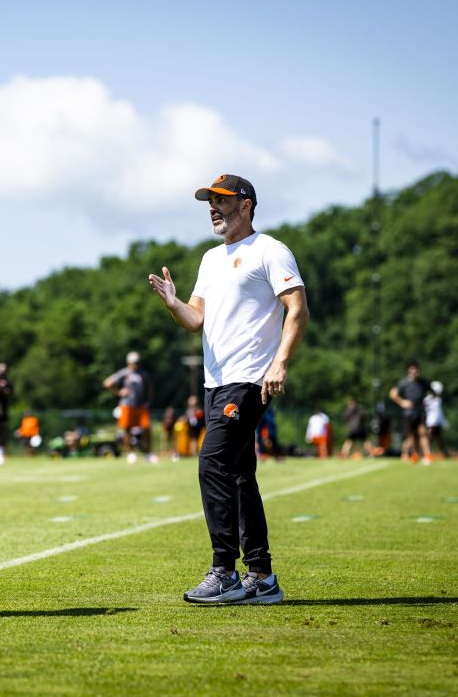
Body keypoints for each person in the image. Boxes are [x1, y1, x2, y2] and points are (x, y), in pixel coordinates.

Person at [148, 173, 308, 605]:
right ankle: (261, 577)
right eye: (209, 201)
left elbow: (297, 308)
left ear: (246, 204)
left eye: (220, 200)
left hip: (249, 379)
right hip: (215, 382)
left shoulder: (270, 251)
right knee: (238, 474)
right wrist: (172, 303)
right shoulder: (209, 260)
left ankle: (224, 570)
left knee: (211, 463)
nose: (212, 208)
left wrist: (280, 363)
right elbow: (195, 319)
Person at [104, 351, 156, 464]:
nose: (135, 364)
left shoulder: (143, 374)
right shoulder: (124, 373)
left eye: (137, 362)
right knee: (127, 430)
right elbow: (107, 383)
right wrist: (118, 392)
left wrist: (148, 402)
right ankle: (131, 454)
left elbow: (150, 389)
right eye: (133, 362)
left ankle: (148, 453)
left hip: (141, 406)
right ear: (128, 363)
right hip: (127, 405)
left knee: (146, 429)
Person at [389, 362, 433, 465]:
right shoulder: (404, 383)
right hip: (408, 413)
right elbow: (392, 394)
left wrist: (428, 403)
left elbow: (434, 393)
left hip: (420, 412)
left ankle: (427, 454)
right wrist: (402, 402)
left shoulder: (423, 382)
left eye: (416, 370)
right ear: (408, 370)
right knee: (410, 436)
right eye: (412, 369)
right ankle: (411, 454)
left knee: (423, 432)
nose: (414, 372)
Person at [423, 381, 450, 459]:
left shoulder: (430, 399)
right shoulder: (432, 400)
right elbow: (438, 413)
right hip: (431, 423)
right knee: (430, 439)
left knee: (438, 438)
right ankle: (426, 453)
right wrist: (444, 422)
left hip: (434, 423)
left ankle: (444, 454)